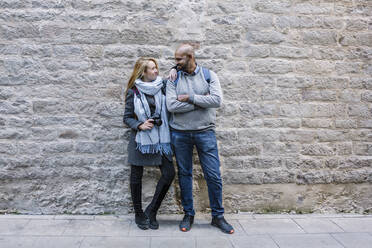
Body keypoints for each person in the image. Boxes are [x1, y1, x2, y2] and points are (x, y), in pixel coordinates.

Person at [166, 44, 234, 234]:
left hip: (206, 132)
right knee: (185, 175)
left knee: (213, 175)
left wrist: (188, 98)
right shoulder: (172, 78)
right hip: (179, 133)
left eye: (179, 59)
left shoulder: (209, 75)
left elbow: (216, 101)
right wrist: (199, 101)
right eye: (175, 59)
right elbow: (171, 105)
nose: (176, 62)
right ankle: (188, 214)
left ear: (190, 57)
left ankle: (218, 216)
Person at [123, 57, 175, 230]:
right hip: (141, 139)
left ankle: (151, 211)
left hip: (162, 138)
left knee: (169, 173)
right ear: (143, 72)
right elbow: (127, 117)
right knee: (136, 177)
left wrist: (175, 70)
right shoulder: (134, 91)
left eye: (156, 68)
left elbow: (178, 75)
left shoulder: (164, 86)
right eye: (152, 69)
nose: (156, 71)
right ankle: (138, 214)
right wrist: (139, 125)